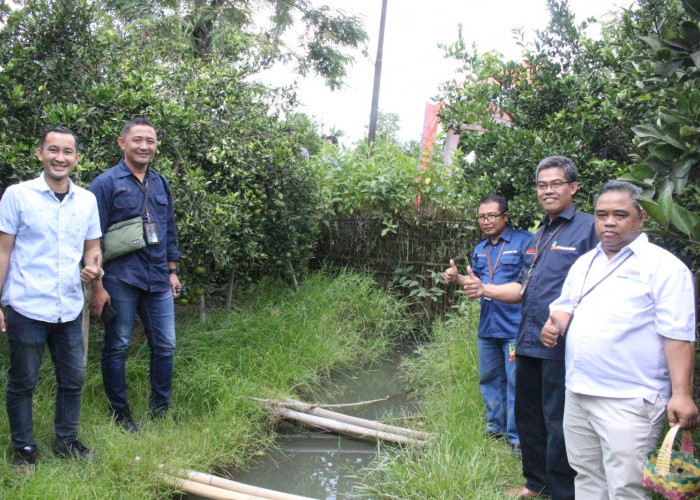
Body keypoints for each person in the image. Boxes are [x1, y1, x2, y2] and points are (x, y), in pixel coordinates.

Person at [541, 180, 698, 499]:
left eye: (619, 214)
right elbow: (565, 306)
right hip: (579, 391)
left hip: (629, 398)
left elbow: (678, 335)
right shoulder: (586, 262)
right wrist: (554, 324)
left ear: (641, 218)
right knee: (586, 476)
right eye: (601, 215)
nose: (608, 222)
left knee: (626, 486)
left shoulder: (664, 268)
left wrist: (681, 393)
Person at [462, 156, 598, 499]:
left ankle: (563, 490)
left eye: (555, 183)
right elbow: (521, 289)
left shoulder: (589, 228)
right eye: (541, 185)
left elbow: (600, 288)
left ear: (573, 187)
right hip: (527, 340)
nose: (547, 190)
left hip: (562, 345)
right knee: (529, 417)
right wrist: (484, 289)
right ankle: (536, 483)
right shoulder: (540, 234)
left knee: (559, 422)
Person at [0, 126, 103, 473]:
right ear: (40, 153)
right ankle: (25, 449)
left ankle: (66, 441)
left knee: (73, 379)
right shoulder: (18, 196)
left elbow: (93, 249)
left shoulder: (87, 200)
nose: (61, 158)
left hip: (69, 306)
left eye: (68, 152)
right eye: (53, 150)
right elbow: (4, 250)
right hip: (26, 304)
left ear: (77, 158)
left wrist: (92, 269)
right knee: (23, 381)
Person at [89, 117, 181, 433]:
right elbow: (92, 238)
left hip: (157, 278)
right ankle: (121, 413)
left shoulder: (161, 182)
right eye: (137, 140)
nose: (144, 146)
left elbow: (169, 228)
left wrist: (172, 271)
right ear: (122, 142)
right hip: (120, 278)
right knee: (117, 345)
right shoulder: (105, 184)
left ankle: (160, 409)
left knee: (165, 345)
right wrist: (97, 285)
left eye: (150, 141)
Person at [444, 194, 531, 454]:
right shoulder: (481, 248)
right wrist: (457, 277)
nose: (486, 221)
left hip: (514, 328)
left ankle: (517, 438)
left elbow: (527, 286)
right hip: (488, 327)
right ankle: (496, 427)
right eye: (482, 216)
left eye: (492, 215)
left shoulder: (525, 241)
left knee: (516, 382)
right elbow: (477, 285)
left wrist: (485, 288)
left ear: (505, 217)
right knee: (489, 378)